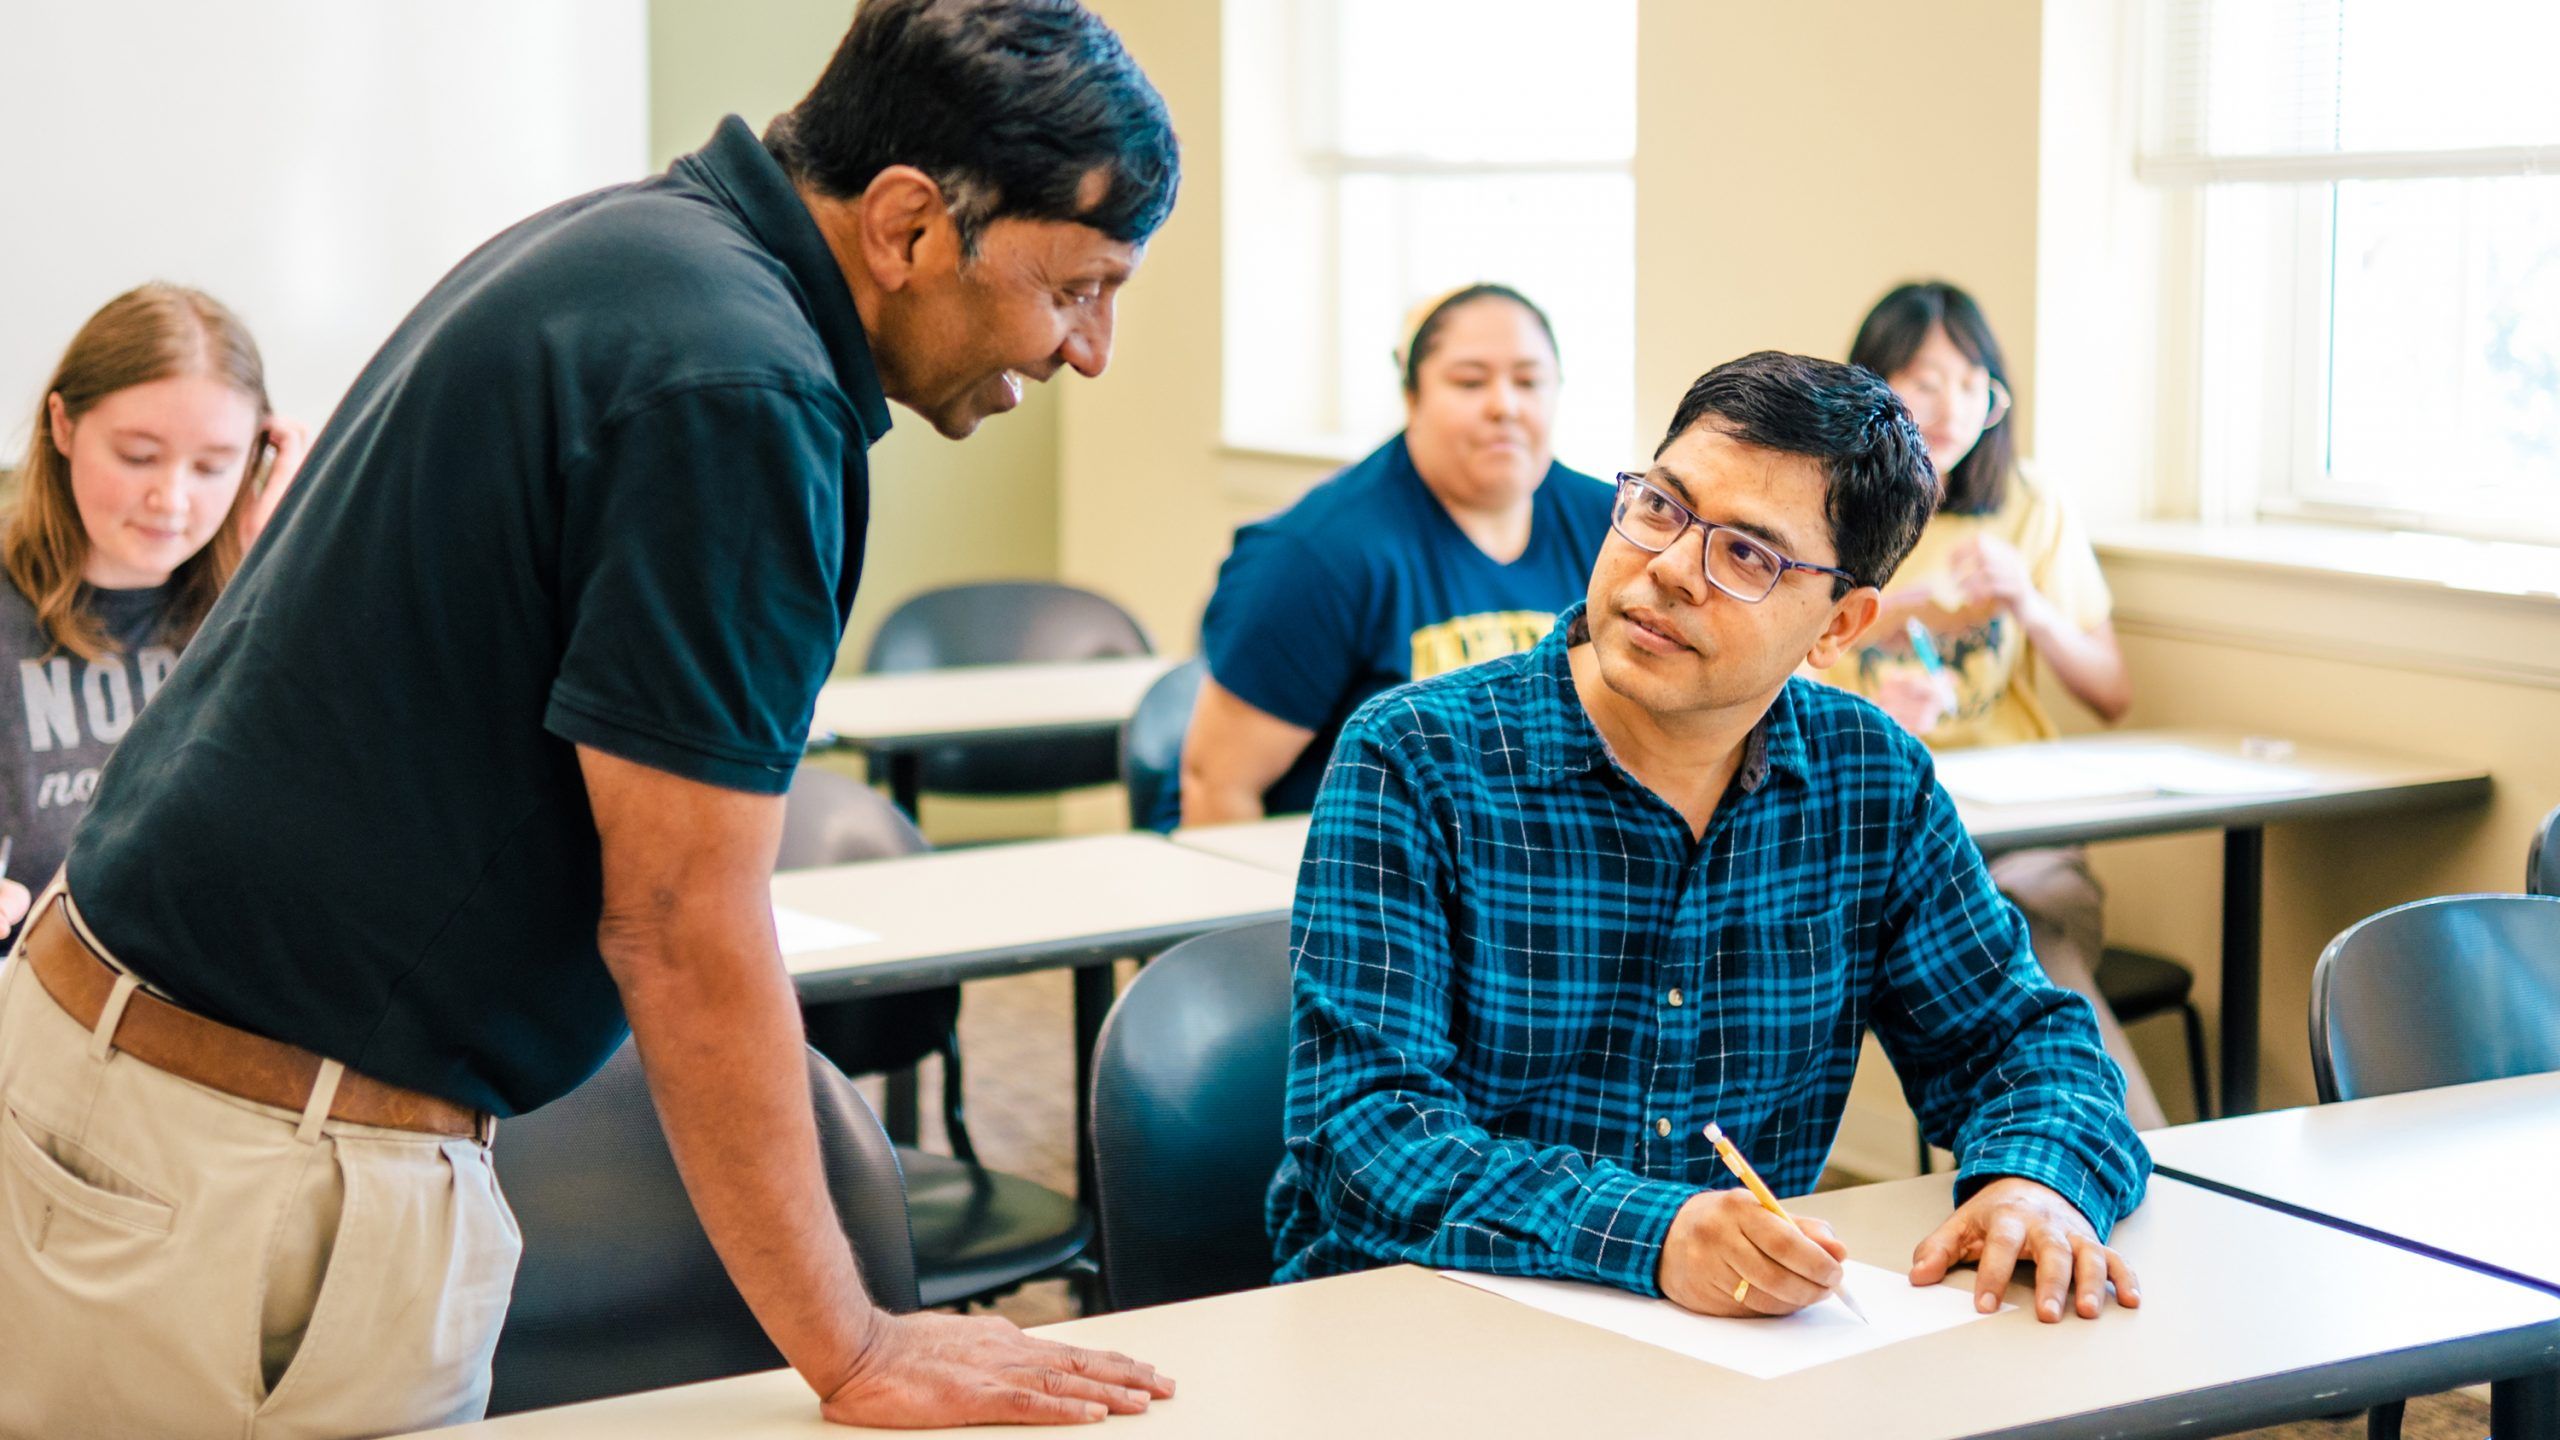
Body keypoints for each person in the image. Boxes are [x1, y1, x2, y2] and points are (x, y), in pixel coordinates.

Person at [0, 2, 1180, 1435]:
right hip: (244, 1160)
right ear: (910, 225)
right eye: (1078, 288)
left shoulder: (646, 249)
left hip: (140, 1084)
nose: (1092, 351)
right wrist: (855, 1347)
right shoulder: (740, 387)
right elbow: (682, 926)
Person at [1270, 351, 2150, 1330]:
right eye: (1660, 506)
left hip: (1728, 1345)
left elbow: (2022, 1042)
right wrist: (1653, 1235)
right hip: (1419, 1330)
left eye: (1746, 556)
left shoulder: (1868, 778)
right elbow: (1365, 1135)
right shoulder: (1416, 757)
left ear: (1840, 625)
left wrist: (2032, 1182)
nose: (1670, 569)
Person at [1822, 280, 2163, 1131]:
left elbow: (2111, 692)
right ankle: (2125, 1150)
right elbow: (1759, 670)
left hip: (2025, 831)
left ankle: (2085, 1151)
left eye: (1974, 383)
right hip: (1877, 824)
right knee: (1995, 938)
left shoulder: (2027, 505)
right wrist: (1902, 622)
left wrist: (2029, 605)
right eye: (1925, 380)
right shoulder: (1818, 504)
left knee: (2017, 922)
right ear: (1870, 383)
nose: (1951, 407)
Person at [1174, 283, 1613, 828]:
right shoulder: (1314, 557)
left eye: (1529, 381)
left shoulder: (1614, 528)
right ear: (1412, 398)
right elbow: (1218, 785)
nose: (1505, 405)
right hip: (1357, 881)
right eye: (1470, 382)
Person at [0, 284, 306, 937]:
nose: (171, 500)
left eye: (213, 466)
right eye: (138, 456)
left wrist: (278, 572)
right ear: (63, 426)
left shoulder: (249, 607)